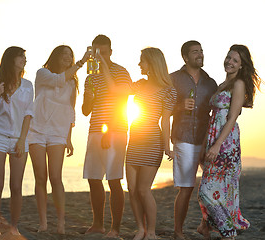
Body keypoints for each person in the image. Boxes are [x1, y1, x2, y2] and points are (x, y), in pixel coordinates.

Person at [197, 45, 262, 240]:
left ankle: (228, 232)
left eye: (235, 60)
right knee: (216, 189)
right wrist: (205, 145)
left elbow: (232, 117)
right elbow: (213, 117)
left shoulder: (239, 84)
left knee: (206, 191)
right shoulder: (222, 84)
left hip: (226, 144)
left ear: (241, 66)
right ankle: (204, 227)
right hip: (213, 139)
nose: (229, 62)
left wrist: (217, 145)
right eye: (228, 58)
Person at [28, 45, 90, 233]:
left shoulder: (72, 83)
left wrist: (69, 138)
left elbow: (71, 112)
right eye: (64, 54)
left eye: (70, 55)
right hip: (36, 130)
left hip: (58, 133)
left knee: (55, 177)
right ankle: (43, 223)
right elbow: (58, 80)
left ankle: (61, 223)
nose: (67, 57)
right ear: (55, 56)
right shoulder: (43, 74)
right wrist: (81, 62)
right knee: (40, 177)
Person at [82, 34, 132, 237]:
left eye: (103, 52)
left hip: (115, 130)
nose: (99, 56)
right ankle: (98, 224)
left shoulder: (120, 72)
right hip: (94, 129)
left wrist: (108, 130)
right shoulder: (90, 76)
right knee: (94, 178)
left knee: (113, 179)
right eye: (96, 52)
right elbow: (86, 111)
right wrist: (89, 97)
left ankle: (115, 228)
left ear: (110, 51)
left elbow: (121, 102)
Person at [125, 47, 176, 240]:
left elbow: (165, 121)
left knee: (143, 189)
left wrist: (166, 147)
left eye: (142, 61)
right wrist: (104, 64)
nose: (139, 64)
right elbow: (117, 90)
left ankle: (152, 232)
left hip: (152, 142)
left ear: (152, 63)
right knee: (131, 189)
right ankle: (141, 229)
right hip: (134, 141)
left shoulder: (168, 91)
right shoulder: (139, 85)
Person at [170, 40, 217, 239]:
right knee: (186, 188)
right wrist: (179, 106)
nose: (200, 54)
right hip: (183, 138)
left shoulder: (211, 82)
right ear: (185, 57)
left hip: (206, 140)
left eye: (201, 51)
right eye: (195, 52)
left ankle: (205, 225)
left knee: (211, 187)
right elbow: (161, 108)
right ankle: (178, 231)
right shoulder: (172, 79)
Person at [0, 46, 33, 236]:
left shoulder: (28, 85)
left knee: (16, 186)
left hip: (19, 139)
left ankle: (13, 227)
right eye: (21, 56)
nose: (24, 60)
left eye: (24, 57)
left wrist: (22, 140)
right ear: (11, 59)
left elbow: (29, 114)